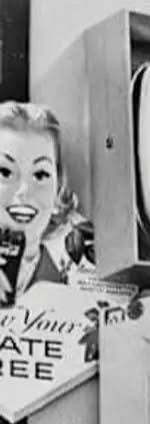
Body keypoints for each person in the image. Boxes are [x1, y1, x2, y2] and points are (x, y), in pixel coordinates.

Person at [0, 100, 94, 304]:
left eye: (40, 174)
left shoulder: (82, 289)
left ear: (58, 188)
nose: (24, 190)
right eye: (5, 172)